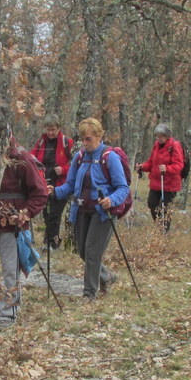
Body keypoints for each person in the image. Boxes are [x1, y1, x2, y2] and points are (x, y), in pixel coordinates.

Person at [48, 118, 129, 300]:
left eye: (89, 139)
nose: (85, 143)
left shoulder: (110, 157)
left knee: (92, 251)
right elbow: (69, 185)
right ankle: (106, 276)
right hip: (81, 210)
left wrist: (111, 200)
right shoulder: (79, 157)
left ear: (99, 136)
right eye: (83, 139)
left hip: (102, 213)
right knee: (83, 251)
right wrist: (54, 192)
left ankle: (89, 293)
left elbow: (123, 188)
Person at [0, 139, 49, 326]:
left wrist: (25, 214)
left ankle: (8, 312)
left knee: (10, 269)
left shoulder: (22, 158)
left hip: (12, 224)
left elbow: (40, 194)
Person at [30, 115, 74, 248]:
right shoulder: (41, 142)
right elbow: (33, 157)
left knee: (55, 214)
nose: (50, 132)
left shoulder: (67, 142)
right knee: (47, 214)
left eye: (53, 129)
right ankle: (48, 242)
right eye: (48, 129)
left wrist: (64, 169)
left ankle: (53, 244)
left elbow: (75, 163)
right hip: (44, 184)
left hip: (61, 184)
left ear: (59, 128)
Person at [136, 123, 185, 231]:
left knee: (165, 209)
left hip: (169, 184)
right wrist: (142, 166)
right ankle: (159, 226)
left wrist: (167, 168)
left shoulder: (175, 145)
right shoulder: (156, 145)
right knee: (152, 204)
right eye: (157, 136)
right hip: (156, 182)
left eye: (161, 136)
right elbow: (151, 162)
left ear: (167, 135)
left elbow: (179, 165)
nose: (158, 138)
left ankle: (164, 231)